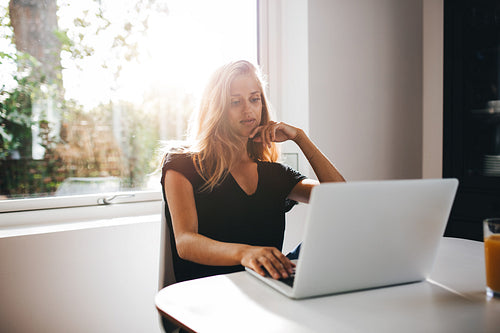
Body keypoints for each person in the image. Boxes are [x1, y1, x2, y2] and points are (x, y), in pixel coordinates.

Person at [160, 60, 345, 284]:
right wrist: (245, 253)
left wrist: (300, 138)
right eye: (235, 102)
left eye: (254, 99)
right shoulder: (183, 164)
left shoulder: (274, 174)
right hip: (208, 294)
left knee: (336, 238)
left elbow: (342, 199)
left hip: (266, 288)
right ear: (217, 108)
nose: (248, 110)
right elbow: (185, 242)